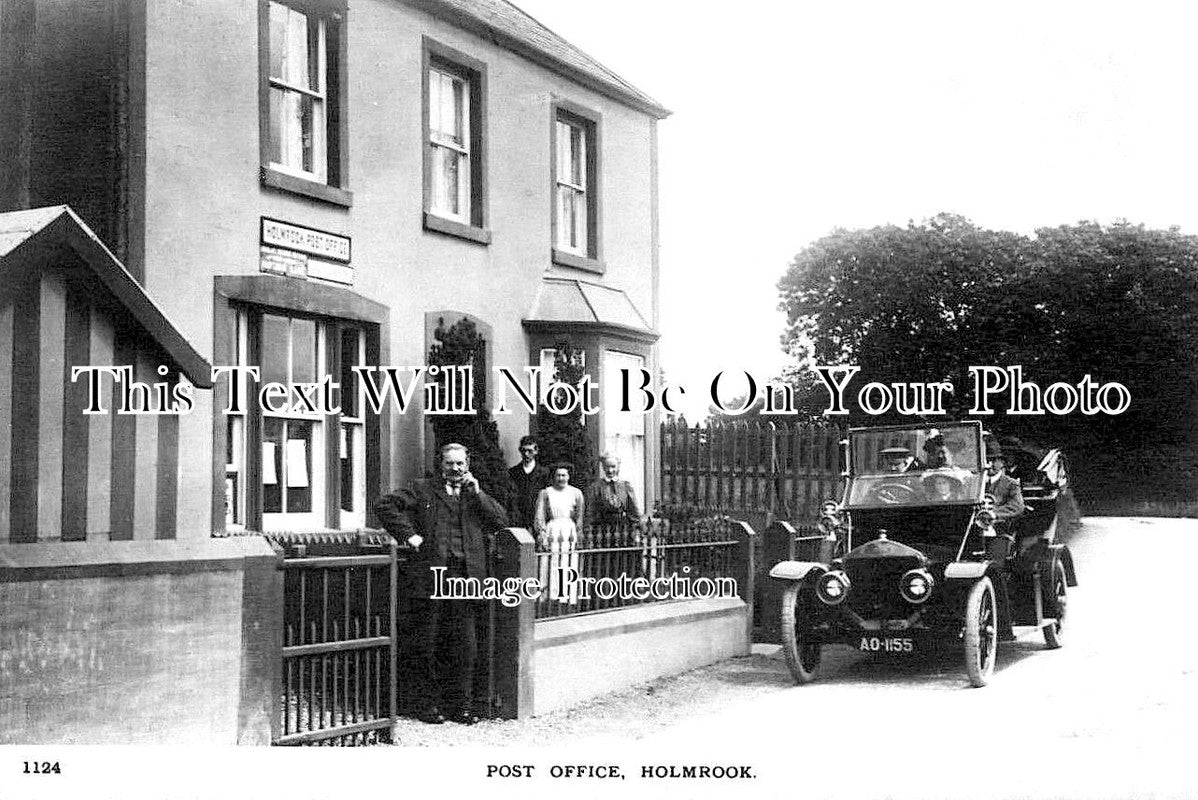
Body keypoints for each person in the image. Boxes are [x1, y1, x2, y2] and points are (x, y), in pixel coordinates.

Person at [374, 443, 509, 725]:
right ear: (441, 464)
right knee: (429, 642)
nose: (456, 469)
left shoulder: (474, 494)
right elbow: (384, 504)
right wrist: (410, 536)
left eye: (460, 464)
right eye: (450, 464)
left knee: (465, 645)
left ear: (468, 463)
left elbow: (500, 521)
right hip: (431, 577)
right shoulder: (422, 488)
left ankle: (460, 706)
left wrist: (479, 492)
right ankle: (427, 706)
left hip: (467, 578)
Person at [982, 439, 1025, 641]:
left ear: (1002, 463)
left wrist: (993, 514)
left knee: (996, 568)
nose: (989, 464)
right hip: (975, 534)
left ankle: (1002, 622)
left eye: (993, 460)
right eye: (986, 460)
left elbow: (1017, 508)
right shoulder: (975, 482)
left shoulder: (1010, 483)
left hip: (1001, 533)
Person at [533, 463, 585, 604]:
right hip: (553, 529)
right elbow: (540, 515)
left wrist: (579, 535)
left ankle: (568, 596)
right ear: (554, 477)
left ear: (569, 477)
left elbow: (580, 517)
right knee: (551, 562)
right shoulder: (546, 493)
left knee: (568, 563)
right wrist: (542, 534)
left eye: (564, 475)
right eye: (558, 475)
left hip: (569, 530)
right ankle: (549, 596)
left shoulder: (576, 493)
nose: (561, 478)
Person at [584, 452, 642, 528]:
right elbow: (590, 511)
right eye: (607, 467)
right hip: (602, 527)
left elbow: (633, 510)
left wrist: (636, 528)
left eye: (613, 467)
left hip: (623, 527)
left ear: (618, 467)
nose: (610, 470)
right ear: (603, 467)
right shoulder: (596, 487)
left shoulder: (626, 486)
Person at [507, 435, 551, 531]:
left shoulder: (544, 473)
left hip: (538, 519)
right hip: (519, 520)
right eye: (523, 451)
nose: (526, 454)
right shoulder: (513, 472)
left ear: (536, 451)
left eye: (530, 451)